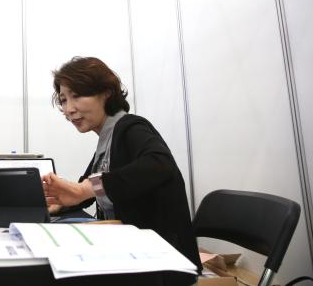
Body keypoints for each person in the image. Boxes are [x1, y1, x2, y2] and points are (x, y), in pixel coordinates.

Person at [42, 57, 201, 279]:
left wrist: (84, 189)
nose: (69, 109)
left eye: (77, 95)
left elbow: (160, 165)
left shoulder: (131, 127)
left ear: (106, 92)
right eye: (63, 100)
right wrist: (59, 202)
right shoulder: (106, 139)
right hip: (132, 252)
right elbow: (89, 187)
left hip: (162, 265)